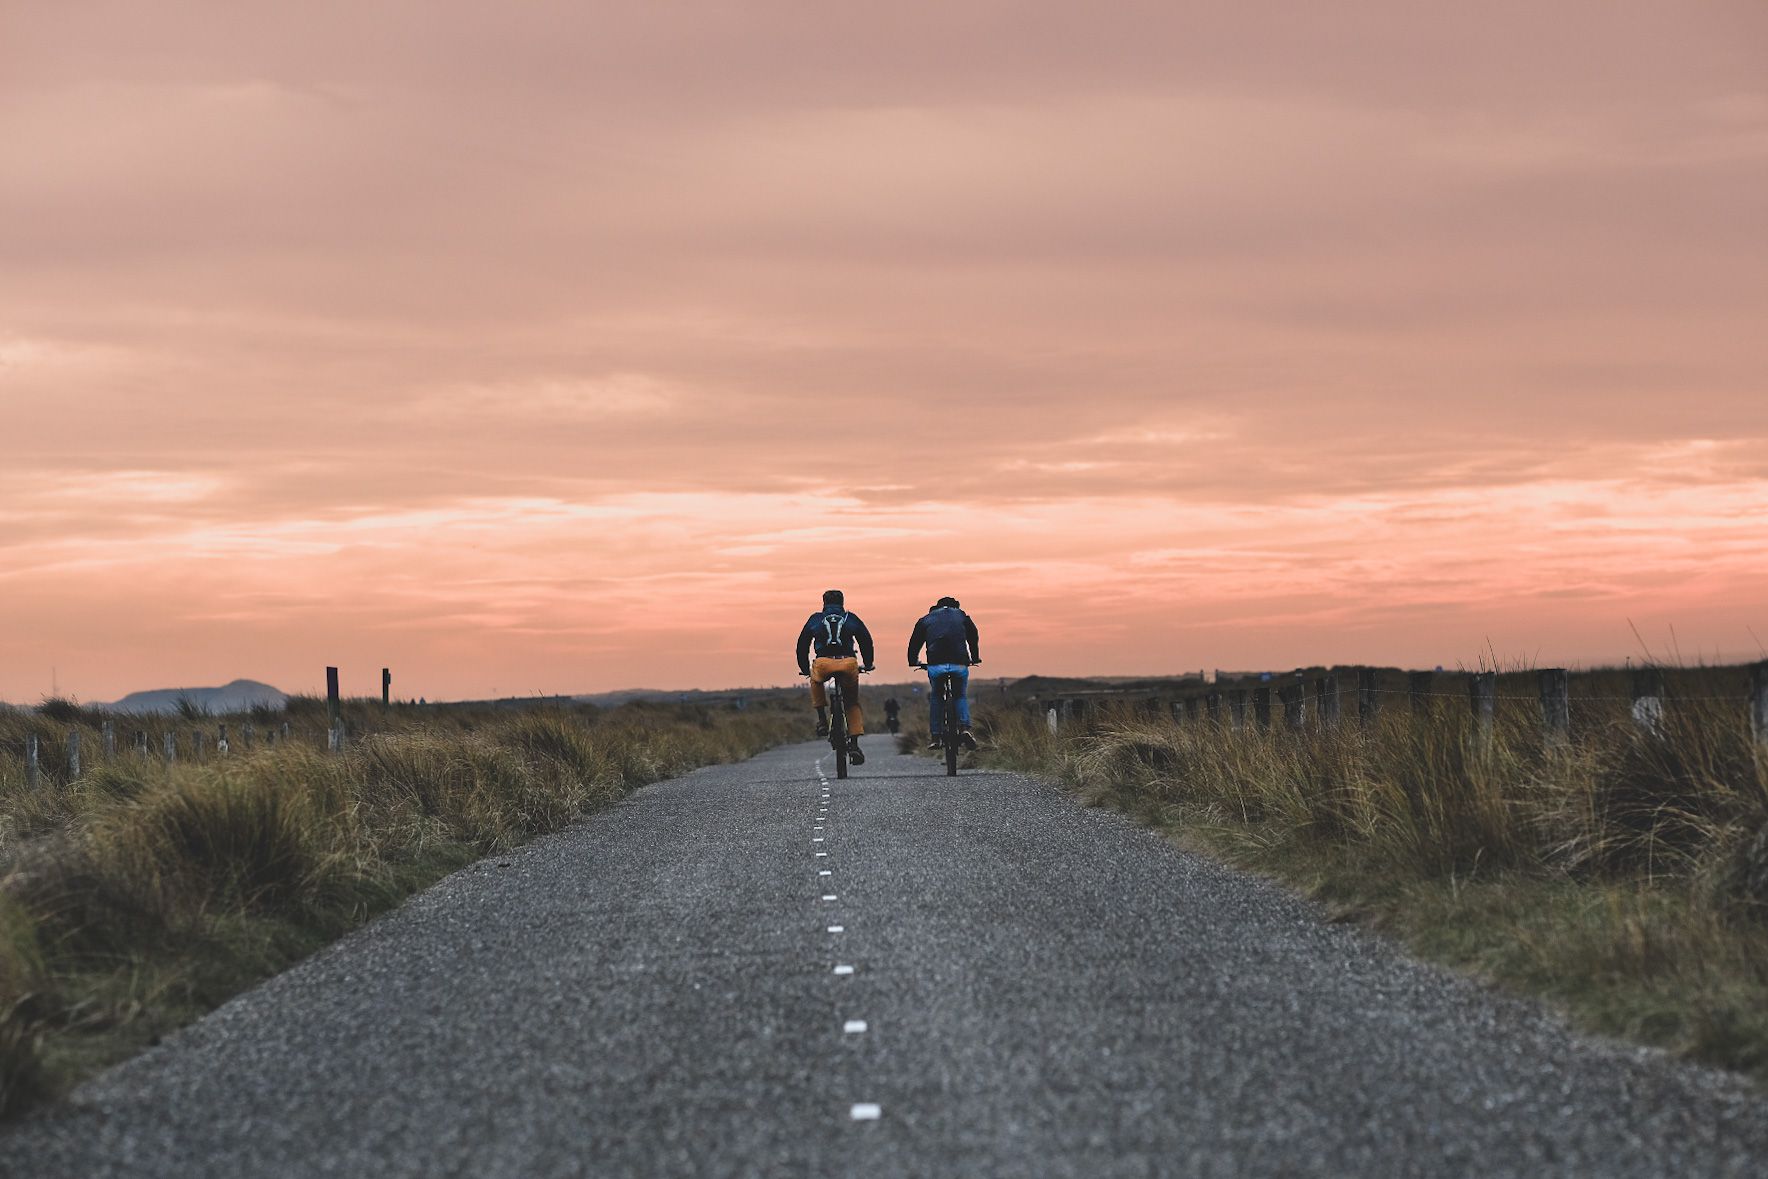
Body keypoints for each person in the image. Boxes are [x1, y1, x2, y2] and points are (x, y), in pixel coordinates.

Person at [795, 589, 875, 764]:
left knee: (815, 680)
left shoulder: (815, 619)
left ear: (823, 603)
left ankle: (822, 719)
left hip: (823, 663)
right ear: (842, 602)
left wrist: (805, 668)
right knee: (852, 703)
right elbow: (866, 641)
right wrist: (868, 663)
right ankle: (854, 744)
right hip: (848, 663)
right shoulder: (850, 618)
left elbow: (802, 645)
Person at [907, 596, 980, 750]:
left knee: (936, 697)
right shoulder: (962, 616)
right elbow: (973, 636)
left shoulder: (926, 619)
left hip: (936, 665)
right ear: (956, 607)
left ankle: (935, 736)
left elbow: (914, 642)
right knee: (960, 695)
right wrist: (974, 657)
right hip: (959, 663)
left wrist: (913, 660)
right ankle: (965, 728)